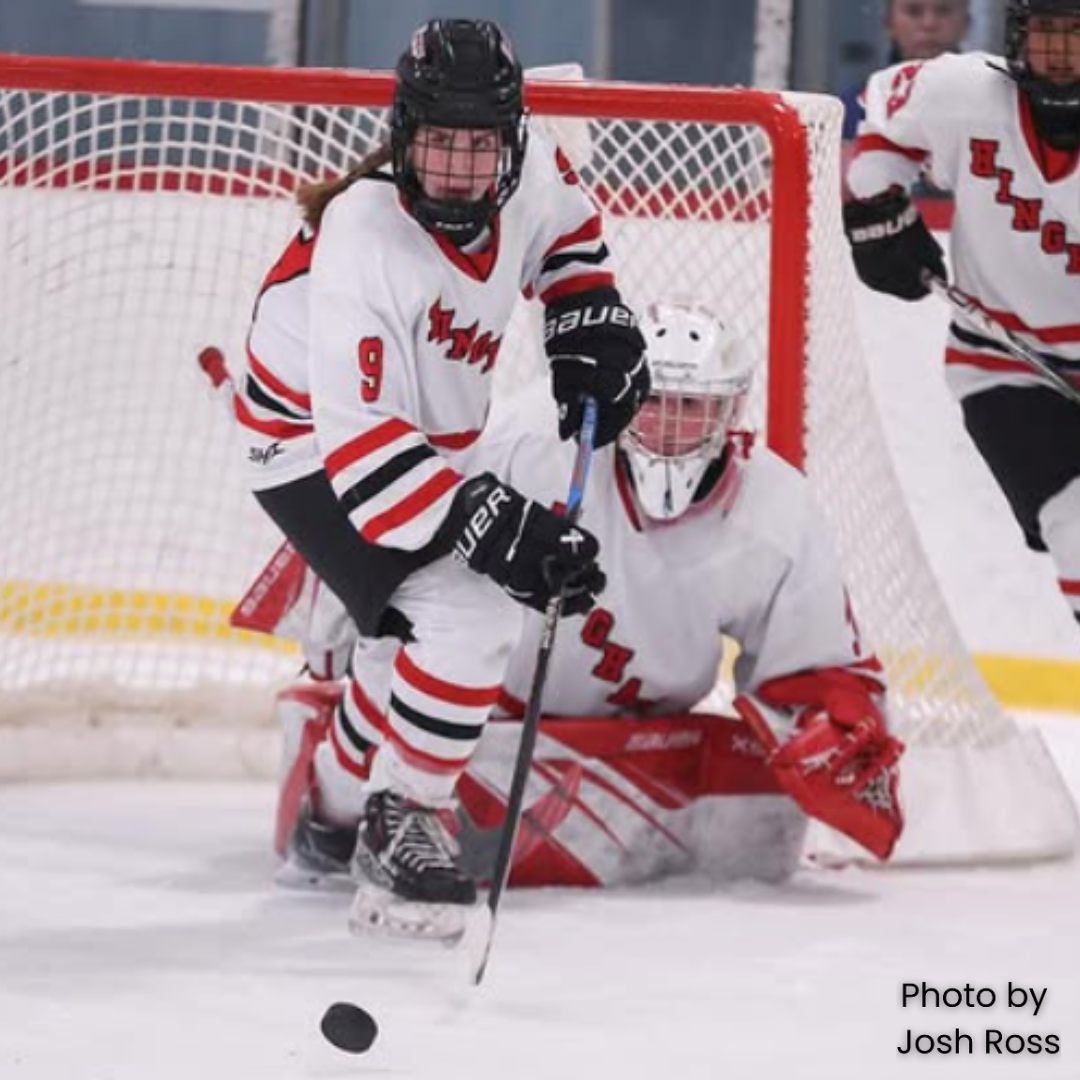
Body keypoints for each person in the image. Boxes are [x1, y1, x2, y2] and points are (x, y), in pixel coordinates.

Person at [258, 302, 905, 903]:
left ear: (734, 411)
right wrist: (352, 628)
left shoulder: (776, 512)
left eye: (693, 407)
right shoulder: (529, 444)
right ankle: (337, 809)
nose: (672, 428)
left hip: (636, 733)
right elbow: (410, 548)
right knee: (388, 659)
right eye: (654, 405)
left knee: (760, 821)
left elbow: (817, 668)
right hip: (480, 713)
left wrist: (831, 724)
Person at [235, 18, 649, 939]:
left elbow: (571, 241)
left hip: (422, 433)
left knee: (406, 644)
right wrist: (497, 525)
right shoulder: (361, 237)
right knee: (469, 611)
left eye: (479, 144)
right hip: (309, 450)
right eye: (440, 143)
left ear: (510, 137)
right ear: (403, 134)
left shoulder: (532, 169)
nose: (461, 168)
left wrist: (590, 321)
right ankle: (401, 822)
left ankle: (331, 822)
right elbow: (368, 462)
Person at [843, 0, 1080, 633]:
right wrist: (877, 204)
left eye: (1075, 40)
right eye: (1046, 37)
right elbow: (885, 113)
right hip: (1004, 364)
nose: (1058, 57)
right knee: (1076, 524)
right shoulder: (963, 93)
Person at [840, 0, 970, 141]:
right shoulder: (852, 111)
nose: (929, 24)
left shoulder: (990, 105)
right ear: (889, 23)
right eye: (914, 11)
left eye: (943, 11)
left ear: (966, 24)